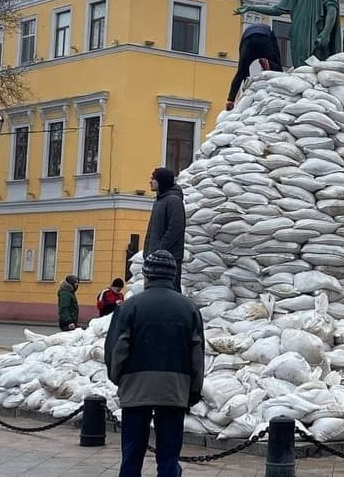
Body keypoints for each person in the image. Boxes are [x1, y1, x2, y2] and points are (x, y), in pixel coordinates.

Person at [105, 250, 205, 477]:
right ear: (172, 275)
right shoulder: (189, 308)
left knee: (131, 457)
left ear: (147, 275)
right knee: (169, 458)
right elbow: (197, 355)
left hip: (136, 387)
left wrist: (118, 378)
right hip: (174, 389)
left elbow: (116, 349)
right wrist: (193, 390)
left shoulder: (129, 307)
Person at [145, 167, 186, 292]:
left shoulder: (173, 200)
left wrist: (160, 249)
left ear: (161, 181)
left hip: (168, 259)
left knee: (169, 292)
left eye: (153, 178)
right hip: (155, 258)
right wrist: (147, 251)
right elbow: (152, 230)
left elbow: (176, 228)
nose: (150, 181)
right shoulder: (159, 200)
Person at [226, 23, 283, 110]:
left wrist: (233, 98)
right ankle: (267, 62)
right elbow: (276, 52)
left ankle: (230, 101)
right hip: (264, 38)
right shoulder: (270, 30)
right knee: (275, 65)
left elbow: (243, 72)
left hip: (248, 41)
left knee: (241, 72)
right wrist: (277, 66)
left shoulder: (244, 35)